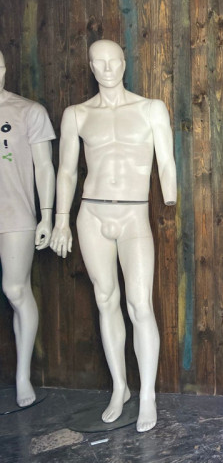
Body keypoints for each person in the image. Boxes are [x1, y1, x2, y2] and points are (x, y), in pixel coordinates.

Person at [49, 39, 176, 433]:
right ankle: (120, 387)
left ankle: (148, 394)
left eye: (113, 61)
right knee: (105, 300)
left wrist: (170, 193)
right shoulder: (77, 115)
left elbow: (166, 160)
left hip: (133, 214)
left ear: (124, 63)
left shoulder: (150, 108)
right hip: (91, 213)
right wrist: (60, 220)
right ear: (90, 66)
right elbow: (66, 171)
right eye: (99, 63)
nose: (107, 69)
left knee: (140, 305)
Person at [0, 51, 55, 408]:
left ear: (5, 69)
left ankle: (23, 375)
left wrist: (47, 216)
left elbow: (44, 167)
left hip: (15, 213)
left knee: (15, 289)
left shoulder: (28, 111)